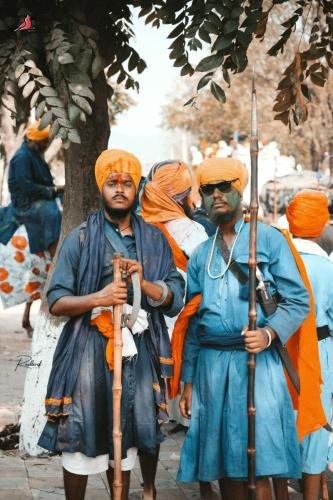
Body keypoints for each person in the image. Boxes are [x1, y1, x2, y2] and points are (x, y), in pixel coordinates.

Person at [37, 149, 185, 500]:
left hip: (139, 353)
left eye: (127, 183)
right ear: (101, 187)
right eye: (112, 182)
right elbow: (56, 301)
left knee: (127, 438)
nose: (120, 189)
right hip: (87, 353)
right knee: (81, 434)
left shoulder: (154, 240)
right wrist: (99, 298)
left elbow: (174, 295)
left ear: (137, 189)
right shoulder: (81, 238)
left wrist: (145, 284)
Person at [176, 157, 315, 499]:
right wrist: (189, 382)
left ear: (241, 190)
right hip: (210, 368)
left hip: (257, 364)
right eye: (208, 190)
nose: (216, 195)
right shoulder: (200, 255)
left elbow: (298, 301)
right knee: (222, 462)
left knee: (260, 461)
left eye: (225, 186)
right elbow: (193, 321)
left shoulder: (267, 240)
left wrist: (268, 334)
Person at [141, 160, 216, 499]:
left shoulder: (139, 227)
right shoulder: (190, 230)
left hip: (149, 330)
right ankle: (204, 484)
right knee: (197, 407)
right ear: (184, 196)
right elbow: (209, 281)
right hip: (186, 330)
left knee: (149, 410)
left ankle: (149, 486)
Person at [286, 190, 333, 499]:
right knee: (315, 425)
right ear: (322, 224)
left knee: (284, 421)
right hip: (319, 351)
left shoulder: (277, 263)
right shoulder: (327, 268)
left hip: (281, 352)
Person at [0, 121, 63, 257]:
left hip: (37, 197)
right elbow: (27, 187)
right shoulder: (22, 158)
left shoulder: (34, 154)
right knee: (52, 213)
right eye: (44, 142)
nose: (47, 146)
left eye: (47, 141)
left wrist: (57, 190)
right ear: (34, 140)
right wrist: (52, 190)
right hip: (25, 205)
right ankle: (54, 255)